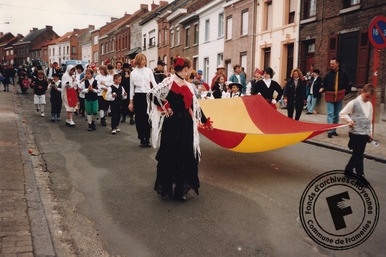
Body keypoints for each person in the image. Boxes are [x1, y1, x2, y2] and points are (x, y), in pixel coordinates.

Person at [148, 56, 212, 201]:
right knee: (171, 154)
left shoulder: (188, 86)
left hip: (186, 125)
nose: (190, 72)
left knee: (185, 155)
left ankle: (180, 190)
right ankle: (167, 187)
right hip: (172, 124)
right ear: (185, 69)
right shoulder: (168, 82)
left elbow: (195, 106)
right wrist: (165, 106)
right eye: (189, 69)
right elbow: (152, 94)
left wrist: (205, 121)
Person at [340, 84, 375, 179]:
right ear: (362, 91)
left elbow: (369, 120)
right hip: (355, 133)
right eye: (367, 96)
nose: (368, 99)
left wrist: (370, 132)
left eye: (370, 97)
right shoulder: (354, 102)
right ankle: (360, 176)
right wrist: (349, 120)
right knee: (359, 155)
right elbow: (342, 113)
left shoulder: (370, 105)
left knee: (357, 154)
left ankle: (348, 170)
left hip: (364, 133)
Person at [128, 53, 158, 147]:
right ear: (138, 60)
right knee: (139, 118)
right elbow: (131, 88)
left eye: (145, 59)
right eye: (142, 59)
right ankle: (142, 137)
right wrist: (131, 102)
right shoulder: (133, 73)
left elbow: (154, 84)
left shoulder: (149, 71)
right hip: (138, 96)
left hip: (148, 95)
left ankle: (147, 138)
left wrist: (159, 93)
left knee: (147, 117)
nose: (144, 61)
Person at [322, 58, 352, 138]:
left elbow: (348, 84)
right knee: (330, 113)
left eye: (333, 64)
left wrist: (344, 93)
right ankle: (330, 130)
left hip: (339, 96)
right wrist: (324, 89)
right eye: (330, 64)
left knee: (336, 114)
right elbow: (324, 84)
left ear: (337, 64)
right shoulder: (328, 74)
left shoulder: (344, 74)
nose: (331, 65)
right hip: (330, 96)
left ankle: (334, 130)